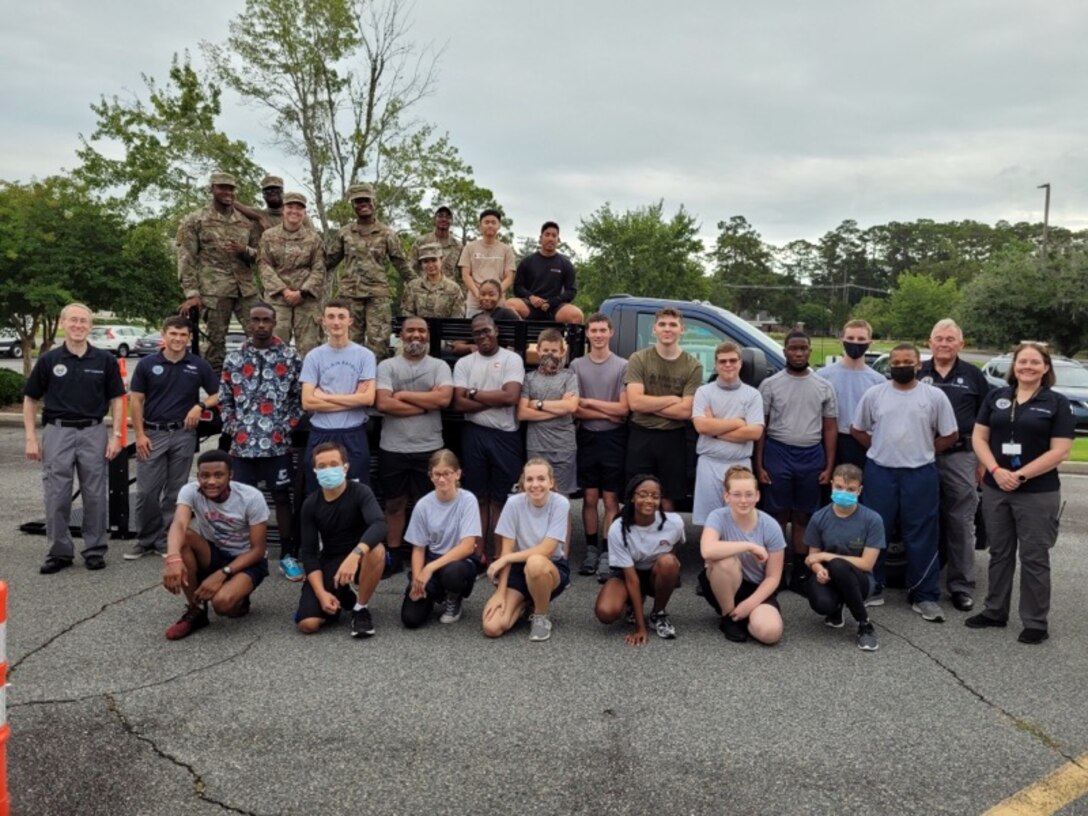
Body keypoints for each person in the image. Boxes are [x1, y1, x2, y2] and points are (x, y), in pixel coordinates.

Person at [967, 342, 1074, 644]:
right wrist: (996, 470)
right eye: (1022, 362)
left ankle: (1035, 621)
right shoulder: (997, 397)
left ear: (1045, 367)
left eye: (1034, 362)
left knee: (1034, 556)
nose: (1027, 366)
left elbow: (1061, 450)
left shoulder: (1056, 403)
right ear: (1013, 366)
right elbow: (979, 436)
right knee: (999, 551)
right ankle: (994, 611)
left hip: (1037, 490)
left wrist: (1021, 474)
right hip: (996, 486)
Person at [851, 343, 958, 620]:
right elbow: (857, 429)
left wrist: (925, 449)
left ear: (918, 364)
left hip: (920, 472)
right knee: (876, 531)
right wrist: (879, 447)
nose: (900, 366)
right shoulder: (875, 394)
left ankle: (923, 595)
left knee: (921, 533)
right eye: (896, 362)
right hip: (880, 471)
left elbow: (950, 434)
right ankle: (872, 587)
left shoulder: (934, 396)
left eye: (906, 361)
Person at [24, 303, 126, 573]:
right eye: (74, 320)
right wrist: (31, 438)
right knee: (56, 495)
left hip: (93, 432)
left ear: (90, 326)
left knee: (94, 495)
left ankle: (94, 549)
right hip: (58, 431)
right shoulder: (49, 360)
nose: (79, 325)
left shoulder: (105, 360)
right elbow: (30, 399)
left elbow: (117, 398)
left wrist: (116, 435)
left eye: (84, 321)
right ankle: (59, 552)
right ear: (63, 323)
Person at [219, 303, 303, 581]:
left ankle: (288, 555)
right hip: (242, 446)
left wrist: (285, 427)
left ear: (275, 321)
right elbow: (225, 398)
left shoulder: (290, 357)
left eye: (266, 320)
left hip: (276, 445)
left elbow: (298, 398)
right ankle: (246, 553)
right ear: (248, 322)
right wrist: (234, 426)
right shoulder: (234, 358)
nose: (261, 325)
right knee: (241, 500)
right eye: (255, 320)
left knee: (281, 498)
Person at [126, 316, 219, 560]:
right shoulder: (148, 364)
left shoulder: (197, 365)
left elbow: (218, 394)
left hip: (183, 434)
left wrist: (200, 406)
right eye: (173, 334)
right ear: (164, 334)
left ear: (188, 338)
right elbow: (135, 399)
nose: (178, 339)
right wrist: (139, 434)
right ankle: (146, 539)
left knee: (176, 491)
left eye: (183, 335)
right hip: (153, 433)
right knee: (147, 491)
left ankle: (169, 539)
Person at [755, 329, 837, 594]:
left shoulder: (824, 386)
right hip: (778, 452)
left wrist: (829, 465)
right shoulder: (770, 385)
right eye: (793, 348)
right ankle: (774, 572)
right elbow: (761, 428)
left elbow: (830, 429)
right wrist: (759, 464)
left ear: (810, 351)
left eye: (803, 349)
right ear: (785, 351)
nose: (798, 353)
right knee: (777, 514)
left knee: (804, 514)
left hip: (811, 454)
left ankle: (801, 571)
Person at [919, 318, 993, 612]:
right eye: (939, 338)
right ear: (930, 342)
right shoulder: (917, 371)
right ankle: (923, 583)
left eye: (951, 339)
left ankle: (961, 586)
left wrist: (983, 461)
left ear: (961, 344)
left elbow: (988, 424)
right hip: (921, 454)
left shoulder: (974, 376)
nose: (944, 343)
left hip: (961, 456)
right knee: (920, 520)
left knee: (961, 521)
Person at [161, 450, 270, 640]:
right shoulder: (190, 490)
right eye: (205, 476)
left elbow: (258, 550)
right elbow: (178, 524)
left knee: (223, 605)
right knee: (184, 537)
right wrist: (173, 558)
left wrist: (222, 574)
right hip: (214, 553)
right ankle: (197, 611)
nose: (211, 481)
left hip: (247, 560)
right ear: (198, 476)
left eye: (218, 475)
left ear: (231, 476)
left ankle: (240, 597)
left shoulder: (251, 497)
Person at [374, 316, 453, 572]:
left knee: (428, 504)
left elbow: (443, 399)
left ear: (428, 335)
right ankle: (394, 554)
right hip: (393, 447)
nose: (416, 335)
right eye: (410, 331)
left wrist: (404, 395)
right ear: (401, 334)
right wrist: (423, 405)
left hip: (429, 447)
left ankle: (429, 555)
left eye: (421, 331)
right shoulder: (387, 366)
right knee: (394, 504)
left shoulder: (440, 366)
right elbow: (384, 403)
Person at [295, 442, 388, 638]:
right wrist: (321, 594)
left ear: (345, 467)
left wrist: (355, 555)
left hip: (360, 556)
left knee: (377, 550)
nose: (328, 470)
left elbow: (380, 524)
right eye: (322, 466)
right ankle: (343, 595)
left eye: (333, 464)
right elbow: (309, 553)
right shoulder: (310, 504)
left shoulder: (361, 492)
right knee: (308, 624)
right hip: (330, 559)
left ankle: (360, 609)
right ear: (315, 471)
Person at [452, 313, 524, 564]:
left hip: (506, 436)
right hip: (474, 435)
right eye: (477, 333)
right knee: (478, 497)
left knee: (501, 498)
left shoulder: (511, 359)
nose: (483, 336)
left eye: (486, 331)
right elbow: (459, 403)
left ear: (496, 331)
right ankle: (477, 554)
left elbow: (510, 397)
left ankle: (499, 554)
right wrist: (491, 400)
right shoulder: (464, 364)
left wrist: (474, 393)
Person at [176, 172, 259, 374]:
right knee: (215, 344)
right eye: (222, 187)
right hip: (214, 292)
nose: (227, 192)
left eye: (230, 188)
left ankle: (257, 384)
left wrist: (244, 251)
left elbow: (261, 255)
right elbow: (186, 258)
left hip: (246, 290)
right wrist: (192, 294)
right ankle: (216, 396)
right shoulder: (196, 220)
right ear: (212, 189)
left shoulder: (246, 221)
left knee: (260, 335)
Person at [482, 459, 571, 642]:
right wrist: (500, 591)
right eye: (530, 479)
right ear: (523, 483)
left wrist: (506, 559)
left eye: (541, 479)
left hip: (550, 569)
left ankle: (540, 616)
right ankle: (526, 602)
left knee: (535, 562)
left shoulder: (560, 503)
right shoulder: (513, 503)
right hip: (518, 568)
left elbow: (546, 550)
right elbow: (506, 551)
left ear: (551, 482)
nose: (535, 485)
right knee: (492, 627)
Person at [624, 307, 703, 511]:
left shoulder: (693, 366)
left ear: (682, 330)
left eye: (673, 325)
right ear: (654, 329)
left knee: (668, 496)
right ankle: (637, 541)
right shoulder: (639, 359)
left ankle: (666, 542)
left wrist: (647, 404)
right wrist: (671, 399)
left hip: (673, 437)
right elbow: (634, 403)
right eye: (662, 324)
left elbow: (685, 412)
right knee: (638, 494)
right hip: (641, 434)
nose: (667, 329)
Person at [697, 465, 785, 645]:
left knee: (771, 634)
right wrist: (749, 546)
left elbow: (773, 578)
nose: (743, 500)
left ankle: (745, 616)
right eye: (736, 495)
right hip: (724, 582)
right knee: (725, 561)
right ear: (726, 496)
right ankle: (729, 616)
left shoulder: (770, 526)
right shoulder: (717, 516)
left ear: (758, 496)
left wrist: (750, 604)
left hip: (756, 588)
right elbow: (707, 550)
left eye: (749, 494)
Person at [570, 313, 629, 580]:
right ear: (587, 334)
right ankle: (591, 549)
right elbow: (575, 409)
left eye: (603, 330)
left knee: (611, 499)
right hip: (587, 438)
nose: (598, 335)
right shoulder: (576, 366)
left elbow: (624, 410)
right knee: (591, 498)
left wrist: (590, 403)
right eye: (593, 330)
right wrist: (606, 412)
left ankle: (608, 552)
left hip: (614, 439)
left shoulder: (622, 366)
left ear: (611, 333)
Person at [803, 464, 885, 651]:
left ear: (860, 490)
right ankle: (835, 610)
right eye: (839, 487)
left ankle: (864, 624)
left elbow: (867, 563)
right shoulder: (819, 517)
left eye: (850, 489)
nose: (844, 492)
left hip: (861, 579)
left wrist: (826, 556)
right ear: (831, 485)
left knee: (839, 565)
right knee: (822, 603)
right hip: (829, 576)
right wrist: (819, 569)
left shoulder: (872, 519)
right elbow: (812, 558)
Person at [594, 474, 684, 645]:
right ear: (632, 498)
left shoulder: (675, 523)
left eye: (655, 496)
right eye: (643, 494)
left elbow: (674, 548)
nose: (649, 500)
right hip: (627, 573)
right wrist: (639, 628)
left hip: (653, 572)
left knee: (669, 562)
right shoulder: (618, 529)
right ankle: (633, 605)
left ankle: (658, 613)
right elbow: (632, 579)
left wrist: (666, 577)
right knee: (606, 612)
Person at [325, 182, 412, 359]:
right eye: (358, 201)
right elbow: (329, 261)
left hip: (377, 296)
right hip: (350, 294)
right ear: (353, 205)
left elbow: (401, 263)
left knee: (378, 341)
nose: (362, 204)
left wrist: (417, 283)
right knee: (349, 339)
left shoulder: (386, 233)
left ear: (374, 202)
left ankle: (374, 381)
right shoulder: (345, 233)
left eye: (366, 200)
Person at [300, 299, 377, 498]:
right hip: (321, 434)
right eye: (331, 317)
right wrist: (353, 399)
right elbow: (308, 402)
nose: (336, 322)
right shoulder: (314, 357)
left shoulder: (365, 356)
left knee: (356, 494)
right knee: (318, 494)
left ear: (350, 321)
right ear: (323, 321)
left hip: (353, 435)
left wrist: (323, 396)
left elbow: (368, 399)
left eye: (341, 317)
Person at [400, 450, 481, 629]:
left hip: (459, 561)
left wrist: (429, 568)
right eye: (437, 474)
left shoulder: (468, 500)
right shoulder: (423, 505)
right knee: (411, 618)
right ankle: (434, 595)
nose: (442, 479)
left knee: (454, 572)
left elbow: (468, 546)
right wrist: (417, 578)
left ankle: (453, 597)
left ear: (457, 474)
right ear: (431, 476)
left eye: (447, 474)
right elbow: (419, 548)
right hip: (433, 558)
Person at [691, 341, 764, 525]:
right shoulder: (703, 392)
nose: (728, 365)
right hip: (710, 463)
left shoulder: (753, 395)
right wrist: (738, 423)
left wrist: (715, 428)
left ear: (740, 363)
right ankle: (712, 553)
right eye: (723, 361)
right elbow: (701, 427)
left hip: (740, 466)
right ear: (715, 364)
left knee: (740, 519)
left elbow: (754, 432)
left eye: (733, 360)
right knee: (711, 522)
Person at [258, 191, 326, 358]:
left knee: (310, 348)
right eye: (290, 207)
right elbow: (264, 265)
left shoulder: (314, 239)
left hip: (307, 299)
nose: (294, 211)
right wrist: (284, 291)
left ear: (304, 212)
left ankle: (307, 383)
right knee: (275, 346)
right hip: (278, 299)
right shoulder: (268, 236)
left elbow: (319, 268)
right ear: (283, 209)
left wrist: (301, 292)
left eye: (299, 208)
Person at [518, 328, 580, 495]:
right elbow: (522, 413)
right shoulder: (529, 379)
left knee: (561, 499)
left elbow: (572, 407)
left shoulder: (570, 377)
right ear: (538, 350)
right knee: (536, 496)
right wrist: (559, 408)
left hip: (564, 447)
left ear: (562, 351)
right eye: (545, 350)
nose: (549, 354)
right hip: (536, 446)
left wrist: (537, 404)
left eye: (554, 350)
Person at [815, 319, 884, 469]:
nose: (855, 342)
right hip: (831, 440)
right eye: (851, 338)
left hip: (863, 442)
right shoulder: (822, 376)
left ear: (870, 342)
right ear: (842, 341)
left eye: (861, 339)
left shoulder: (878, 381)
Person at [506, 221, 584, 324]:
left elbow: (571, 291)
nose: (550, 238)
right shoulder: (527, 262)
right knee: (508, 305)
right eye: (547, 235)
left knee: (576, 315)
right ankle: (521, 335)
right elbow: (518, 287)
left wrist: (552, 302)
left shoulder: (565, 264)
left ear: (558, 240)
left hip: (554, 307)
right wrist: (531, 297)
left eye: (554, 236)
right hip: (530, 306)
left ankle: (565, 339)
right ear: (540, 238)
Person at [458, 209, 516, 316]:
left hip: (498, 304)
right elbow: (465, 275)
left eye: (493, 222)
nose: (490, 225)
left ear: (499, 226)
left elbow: (509, 277)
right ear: (480, 225)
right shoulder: (470, 247)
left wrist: (495, 294)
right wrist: (479, 295)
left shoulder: (506, 249)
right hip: (474, 303)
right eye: (486, 222)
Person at [234, 174, 315, 237]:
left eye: (276, 190)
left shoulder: (300, 217)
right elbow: (233, 203)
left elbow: (316, 244)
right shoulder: (258, 214)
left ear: (283, 193)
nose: (272, 193)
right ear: (263, 195)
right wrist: (259, 218)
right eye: (268, 191)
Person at [400, 243, 465, 319]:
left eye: (434, 260)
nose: (430, 265)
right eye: (426, 262)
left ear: (441, 260)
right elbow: (407, 313)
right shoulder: (413, 286)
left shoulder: (453, 288)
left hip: (445, 329)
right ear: (421, 264)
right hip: (418, 329)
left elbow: (458, 316)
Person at [408, 205, 463, 282]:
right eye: (440, 216)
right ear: (434, 220)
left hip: (448, 290)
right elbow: (411, 267)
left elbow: (462, 274)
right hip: (424, 289)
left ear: (452, 221)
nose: (444, 219)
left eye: (448, 217)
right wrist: (416, 286)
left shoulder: (458, 246)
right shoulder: (421, 241)